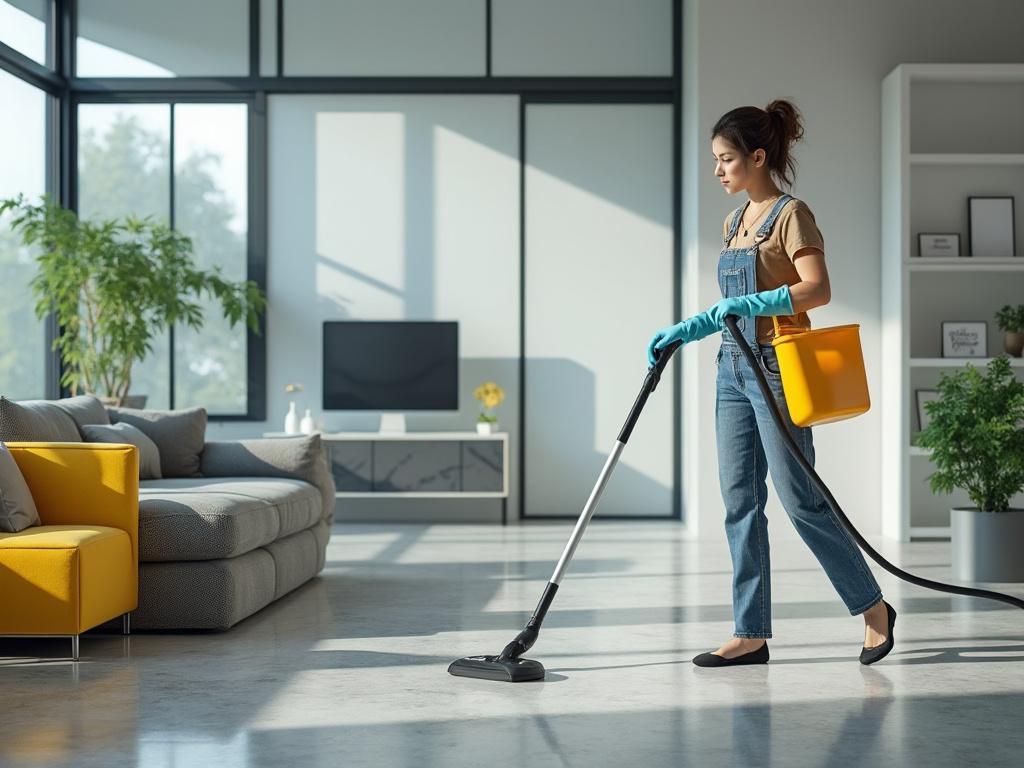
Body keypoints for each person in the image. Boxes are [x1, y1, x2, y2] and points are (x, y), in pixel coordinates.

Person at [646, 100, 896, 667]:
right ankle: (750, 631)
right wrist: (688, 330)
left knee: (801, 500)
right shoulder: (734, 223)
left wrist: (757, 301)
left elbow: (818, 288)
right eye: (715, 159)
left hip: (779, 367)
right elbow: (729, 308)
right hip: (731, 368)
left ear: (757, 157)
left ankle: (874, 610)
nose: (718, 170)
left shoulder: (791, 214)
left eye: (726, 159)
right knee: (739, 503)